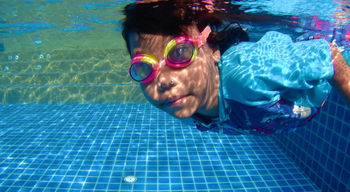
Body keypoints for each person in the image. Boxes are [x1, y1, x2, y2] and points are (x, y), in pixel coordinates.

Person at [122, 0, 350, 135]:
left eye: (180, 53)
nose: (162, 81)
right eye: (143, 67)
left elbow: (329, 55)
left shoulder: (247, 76)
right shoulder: (185, 102)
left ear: (213, 49)